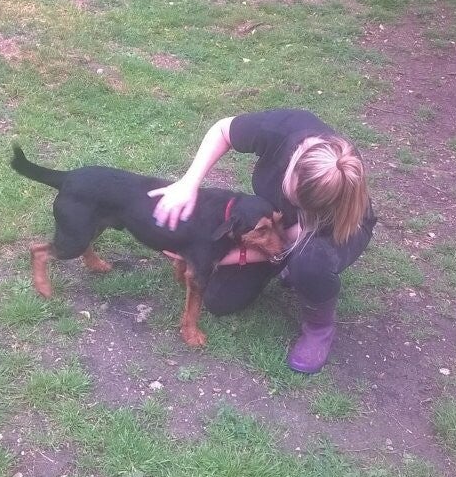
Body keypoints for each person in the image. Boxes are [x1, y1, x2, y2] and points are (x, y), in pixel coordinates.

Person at [148, 110, 376, 373]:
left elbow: (291, 239)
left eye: (302, 207)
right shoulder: (282, 130)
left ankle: (319, 327)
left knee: (309, 261)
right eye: (293, 199)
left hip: (333, 234)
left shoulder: (340, 196)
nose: (293, 206)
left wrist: (222, 256)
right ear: (293, 163)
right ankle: (286, 267)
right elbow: (222, 131)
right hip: (281, 228)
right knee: (220, 300)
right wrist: (188, 184)